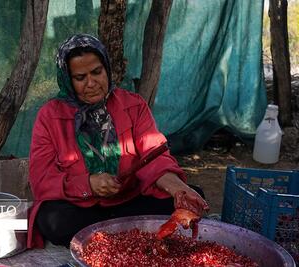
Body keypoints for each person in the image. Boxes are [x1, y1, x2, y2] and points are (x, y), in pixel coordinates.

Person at [27, 34, 208, 248]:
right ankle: (126, 234)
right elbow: (42, 179)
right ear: (67, 79)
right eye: (80, 77)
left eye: (97, 72)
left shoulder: (133, 105)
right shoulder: (50, 116)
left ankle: (106, 237)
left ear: (107, 69)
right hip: (80, 207)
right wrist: (89, 184)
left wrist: (178, 189)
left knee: (191, 196)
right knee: (52, 220)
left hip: (128, 201)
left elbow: (154, 157)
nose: (91, 83)